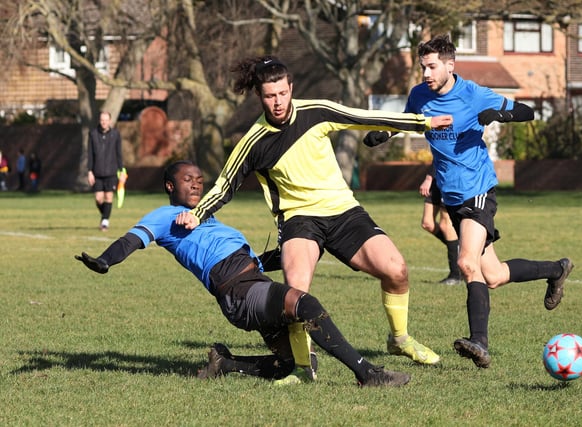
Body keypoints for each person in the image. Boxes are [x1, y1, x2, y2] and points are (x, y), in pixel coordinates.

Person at [175, 56, 453, 376]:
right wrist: (197, 214)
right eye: (270, 96)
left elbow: (363, 116)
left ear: (291, 88)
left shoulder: (316, 111)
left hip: (343, 211)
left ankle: (400, 338)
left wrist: (424, 122)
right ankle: (301, 368)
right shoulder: (253, 142)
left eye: (282, 93)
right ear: (260, 97)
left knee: (397, 270)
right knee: (296, 293)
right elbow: (225, 185)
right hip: (298, 220)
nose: (278, 102)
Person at [75, 160, 411, 387]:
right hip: (239, 291)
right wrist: (105, 261)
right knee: (307, 306)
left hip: (251, 282)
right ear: (169, 185)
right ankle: (368, 374)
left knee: (296, 366)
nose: (195, 184)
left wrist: (294, 250)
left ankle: (227, 364)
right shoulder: (165, 215)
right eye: (187, 180)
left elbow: (247, 258)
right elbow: (132, 240)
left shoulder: (204, 216)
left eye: (199, 180)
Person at [364, 34, 573, 369]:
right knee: (493, 275)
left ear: (450, 64)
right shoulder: (420, 95)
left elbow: (527, 111)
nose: (426, 74)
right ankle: (556, 269)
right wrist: (385, 133)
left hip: (478, 190)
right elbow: (410, 120)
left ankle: (480, 342)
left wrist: (498, 115)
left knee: (466, 264)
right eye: (423, 67)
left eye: (432, 67)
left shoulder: (473, 94)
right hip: (451, 195)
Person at [419, 169, 462, 285]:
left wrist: (428, 178)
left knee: (446, 225)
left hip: (448, 177)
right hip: (436, 178)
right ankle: (462, 249)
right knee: (427, 223)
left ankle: (455, 275)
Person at [87, 111, 125, 231]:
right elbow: (90, 154)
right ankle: (105, 215)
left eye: (106, 120)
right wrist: (89, 171)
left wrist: (122, 171)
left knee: (109, 197)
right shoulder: (93, 134)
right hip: (97, 172)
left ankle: (105, 221)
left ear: (110, 121)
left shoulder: (115, 134)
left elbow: (119, 154)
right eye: (102, 120)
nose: (104, 122)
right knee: (98, 198)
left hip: (111, 172)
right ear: (99, 121)